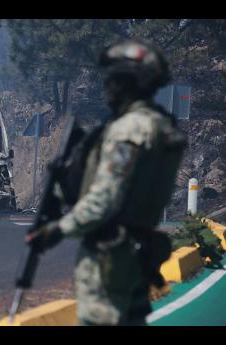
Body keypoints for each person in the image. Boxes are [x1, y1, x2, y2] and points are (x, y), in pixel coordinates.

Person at [26, 39, 186, 326]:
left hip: (110, 257)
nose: (106, 87)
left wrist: (57, 230)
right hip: (140, 252)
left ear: (128, 83)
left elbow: (105, 199)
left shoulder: (129, 130)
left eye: (113, 79)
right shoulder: (163, 126)